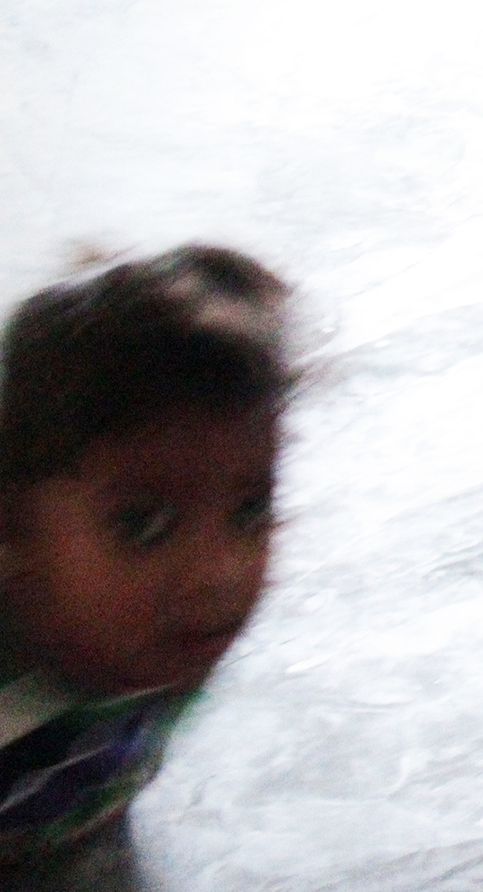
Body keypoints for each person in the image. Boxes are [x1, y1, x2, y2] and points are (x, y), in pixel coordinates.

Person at [0, 246, 290, 870]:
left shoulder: (156, 635)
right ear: (13, 526)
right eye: (142, 525)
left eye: (250, 510)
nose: (220, 573)